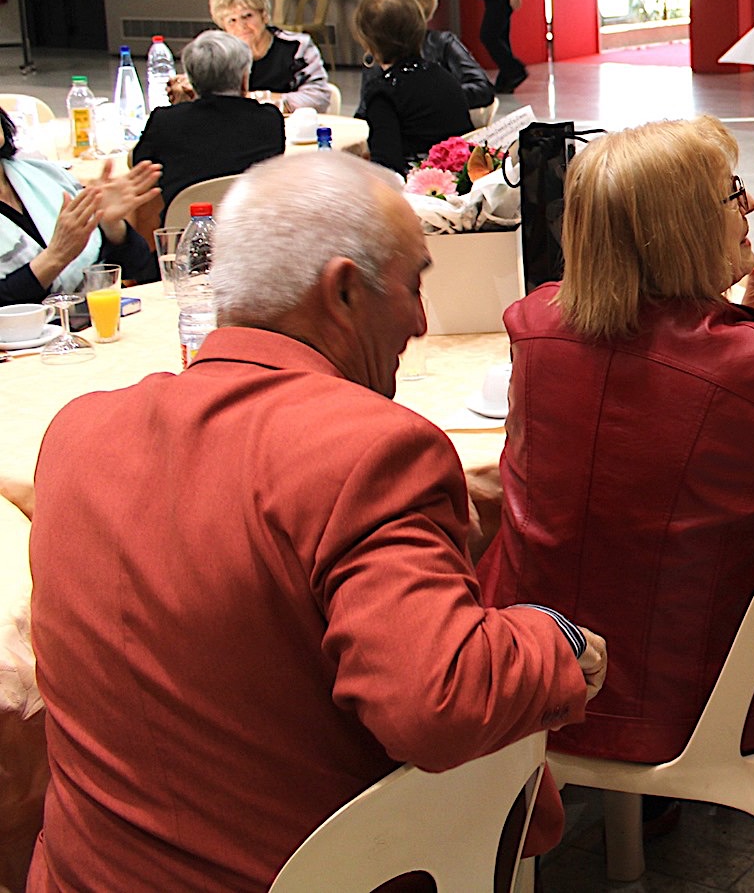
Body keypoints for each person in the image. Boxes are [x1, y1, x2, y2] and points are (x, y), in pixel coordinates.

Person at [28, 152, 608, 893]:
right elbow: (438, 700)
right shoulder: (372, 448)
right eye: (414, 283)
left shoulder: (75, 434)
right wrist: (550, 635)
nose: (423, 320)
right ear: (341, 290)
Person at [479, 117, 754, 765]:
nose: (749, 206)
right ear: (681, 224)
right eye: (731, 191)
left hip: (531, 676)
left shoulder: (533, 326)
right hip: (701, 704)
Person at [0, 107, 159, 306]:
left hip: (100, 319)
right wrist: (55, 257)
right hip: (29, 334)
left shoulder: (48, 176)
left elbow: (138, 270)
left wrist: (110, 226)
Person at [130, 30, 286, 207]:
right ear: (244, 79)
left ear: (192, 79)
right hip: (249, 225)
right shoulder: (269, 119)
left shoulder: (165, 120)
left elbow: (139, 167)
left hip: (184, 227)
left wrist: (180, 108)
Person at [352, 0, 475, 175]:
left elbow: (387, 168)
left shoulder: (384, 91)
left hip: (421, 191)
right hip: (463, 180)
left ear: (366, 41)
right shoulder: (442, 74)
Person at [199, 0, 336, 114]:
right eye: (232, 20)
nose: (241, 26)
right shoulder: (220, 55)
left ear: (263, 15)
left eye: (247, 16)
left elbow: (319, 97)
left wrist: (261, 98)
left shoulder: (297, 46)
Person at [372, 0, 496, 113]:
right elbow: (366, 108)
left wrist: (432, 98)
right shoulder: (376, 50)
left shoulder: (442, 44)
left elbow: (483, 90)